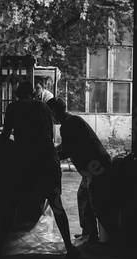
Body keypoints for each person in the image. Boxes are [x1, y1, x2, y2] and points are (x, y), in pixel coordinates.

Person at [0, 82, 79, 259]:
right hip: (48, 157)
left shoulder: (13, 107)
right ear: (33, 94)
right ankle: (69, 248)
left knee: (13, 204)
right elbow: (48, 132)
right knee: (56, 204)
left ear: (17, 94)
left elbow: (5, 134)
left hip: (26, 159)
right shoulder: (43, 106)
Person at [46, 97, 120, 244]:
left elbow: (66, 152)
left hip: (96, 167)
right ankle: (89, 234)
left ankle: (115, 239)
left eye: (49, 113)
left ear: (53, 112)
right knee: (84, 196)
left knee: (97, 203)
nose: (49, 118)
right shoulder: (71, 121)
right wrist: (51, 152)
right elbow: (64, 146)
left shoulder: (68, 124)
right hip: (94, 167)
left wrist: (49, 159)